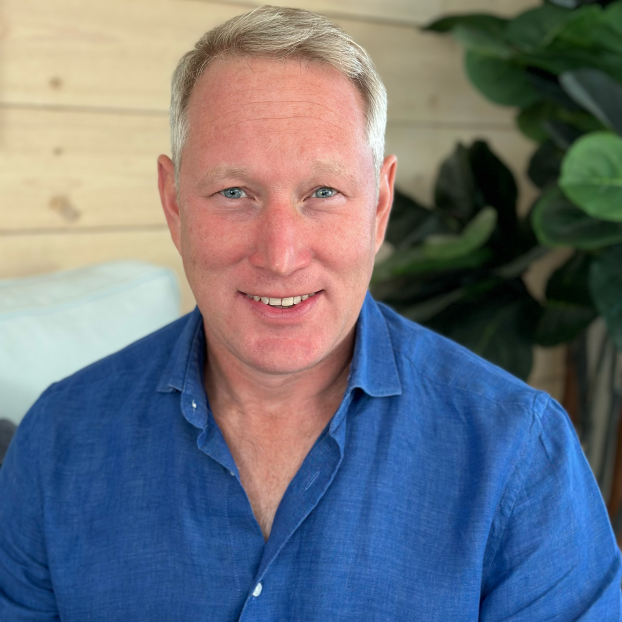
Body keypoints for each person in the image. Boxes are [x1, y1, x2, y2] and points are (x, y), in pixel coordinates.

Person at [0, 5, 620, 620]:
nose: (281, 254)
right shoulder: (57, 440)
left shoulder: (519, 452)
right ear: (173, 203)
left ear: (379, 205)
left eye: (323, 193)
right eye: (234, 193)